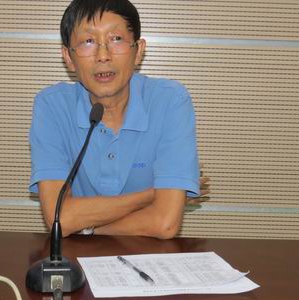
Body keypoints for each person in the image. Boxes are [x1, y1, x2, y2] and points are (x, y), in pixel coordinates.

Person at [29, 0, 201, 239]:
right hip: (78, 258)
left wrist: (87, 229)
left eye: (116, 39)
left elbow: (165, 224)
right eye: (88, 41)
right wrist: (150, 196)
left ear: (138, 51)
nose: (103, 56)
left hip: (147, 256)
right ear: (68, 57)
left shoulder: (170, 101)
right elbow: (60, 218)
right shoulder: (52, 106)